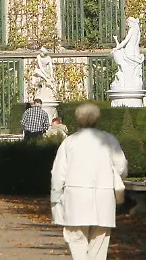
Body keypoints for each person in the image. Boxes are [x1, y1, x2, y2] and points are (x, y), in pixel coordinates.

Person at [51, 102, 128, 260]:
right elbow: (121, 167)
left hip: (76, 199)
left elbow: (58, 175)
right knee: (99, 245)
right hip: (103, 199)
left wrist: (55, 201)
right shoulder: (108, 140)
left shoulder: (69, 142)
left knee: (77, 241)